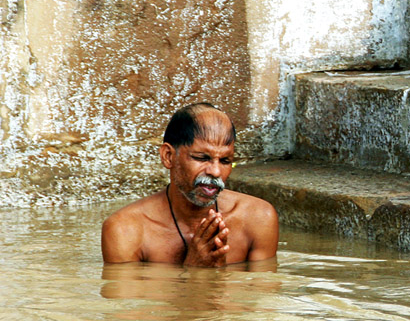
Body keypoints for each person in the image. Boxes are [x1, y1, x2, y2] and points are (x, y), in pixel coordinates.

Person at [102, 103, 279, 266]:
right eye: (202, 158)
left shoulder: (258, 218)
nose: (216, 172)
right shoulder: (125, 230)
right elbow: (123, 298)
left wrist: (214, 275)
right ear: (168, 156)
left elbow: (261, 295)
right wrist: (193, 269)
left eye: (225, 161)